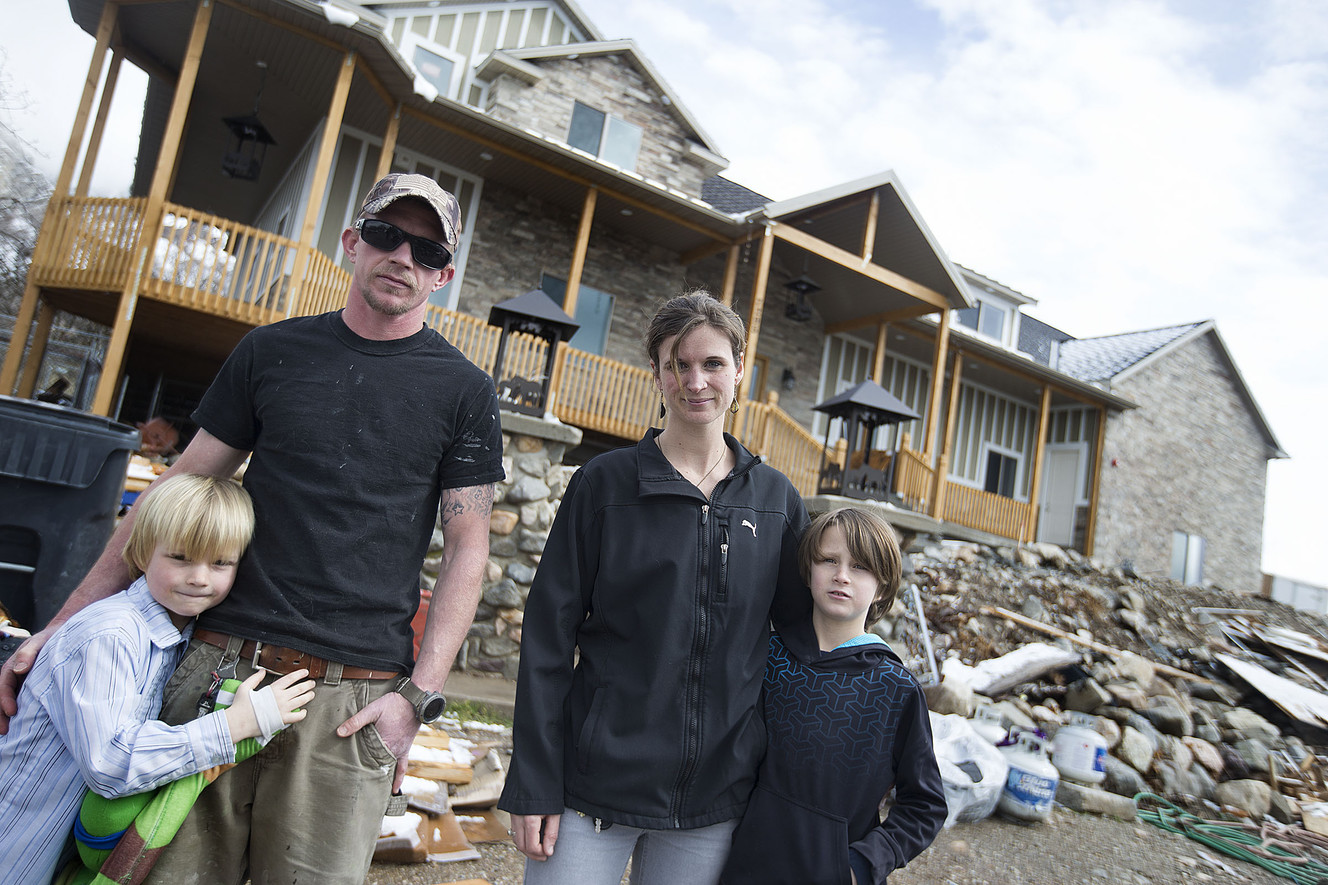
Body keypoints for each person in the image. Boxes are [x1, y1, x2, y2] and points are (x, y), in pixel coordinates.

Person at [0, 173, 505, 885]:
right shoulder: (272, 352)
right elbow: (174, 490)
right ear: (352, 242)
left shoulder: (465, 392)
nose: (403, 258)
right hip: (221, 667)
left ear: (444, 275)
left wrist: (415, 700)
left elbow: (468, 550)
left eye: (426, 251)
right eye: (388, 236)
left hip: (349, 698)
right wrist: (65, 621)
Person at [498, 291, 811, 885]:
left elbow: (798, 645)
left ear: (739, 371)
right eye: (678, 364)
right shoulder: (604, 485)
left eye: (713, 363)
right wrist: (534, 780)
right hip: (592, 790)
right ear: (657, 373)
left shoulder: (774, 503)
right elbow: (546, 638)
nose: (695, 381)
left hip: (714, 804)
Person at [0, 473, 315, 885]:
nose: (199, 577)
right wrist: (234, 726)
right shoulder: (109, 635)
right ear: (144, 552)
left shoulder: (178, 634)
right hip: (16, 849)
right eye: (181, 558)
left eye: (220, 563)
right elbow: (109, 765)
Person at [719, 507, 946, 885]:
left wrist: (862, 864)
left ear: (884, 586)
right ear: (808, 571)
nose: (841, 575)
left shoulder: (896, 688)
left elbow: (925, 805)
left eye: (860, 567)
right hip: (746, 867)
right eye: (829, 560)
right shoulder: (766, 657)